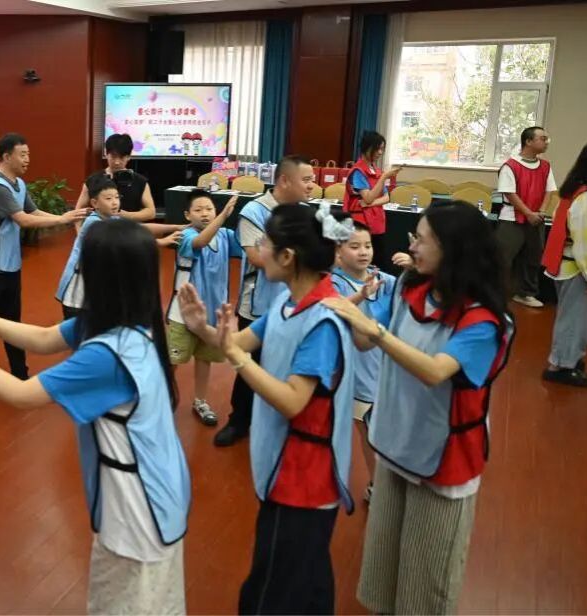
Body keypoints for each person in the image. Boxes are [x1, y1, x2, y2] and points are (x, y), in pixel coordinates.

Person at [0, 218, 190, 615]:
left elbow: (21, 395)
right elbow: (45, 338)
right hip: (157, 493)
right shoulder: (125, 323)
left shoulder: (107, 356)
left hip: (140, 512)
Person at [323, 202, 514, 615]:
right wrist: (350, 316)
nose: (412, 246)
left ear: (452, 249)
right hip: (394, 445)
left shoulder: (483, 321)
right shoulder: (410, 289)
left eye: (422, 240)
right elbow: (366, 342)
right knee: (384, 566)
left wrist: (374, 330)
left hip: (443, 462)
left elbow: (434, 370)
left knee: (424, 582)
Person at [177, 203, 356, 614]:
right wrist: (202, 328)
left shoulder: (323, 320)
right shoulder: (287, 302)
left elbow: (293, 400)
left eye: (264, 243)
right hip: (287, 466)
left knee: (270, 591)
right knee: (308, 582)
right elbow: (236, 344)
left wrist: (238, 359)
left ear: (287, 256)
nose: (258, 250)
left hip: (303, 478)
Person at [0, 132, 89, 399]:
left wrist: (65, 218)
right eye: (23, 154)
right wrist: (62, 219)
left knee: (13, 323)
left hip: (10, 266)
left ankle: (20, 373)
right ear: (6, 156)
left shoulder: (18, 183)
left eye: (28, 154)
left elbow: (34, 212)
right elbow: (24, 220)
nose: (27, 159)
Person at [217, 155, 317, 447]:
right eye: (306, 180)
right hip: (259, 303)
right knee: (250, 365)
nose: (312, 186)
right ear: (284, 180)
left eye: (312, 180)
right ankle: (239, 420)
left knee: (289, 365)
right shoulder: (255, 211)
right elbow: (256, 257)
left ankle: (281, 421)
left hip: (297, 303)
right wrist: (305, 260)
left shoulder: (306, 213)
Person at [331, 220, 397, 502]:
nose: (363, 252)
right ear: (337, 252)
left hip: (386, 367)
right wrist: (361, 295)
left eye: (367, 246)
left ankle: (385, 482)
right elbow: (334, 308)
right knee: (369, 431)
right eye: (354, 246)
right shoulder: (333, 282)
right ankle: (377, 486)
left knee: (386, 429)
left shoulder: (385, 279)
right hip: (356, 370)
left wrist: (413, 269)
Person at [57, 175, 182, 319]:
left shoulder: (112, 218)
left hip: (95, 293)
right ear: (95, 203)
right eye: (108, 199)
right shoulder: (93, 223)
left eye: (117, 197)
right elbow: (125, 241)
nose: (115, 202)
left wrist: (176, 227)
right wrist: (160, 242)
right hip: (77, 297)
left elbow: (139, 228)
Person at [166, 190, 240, 425]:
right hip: (183, 314)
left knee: (204, 359)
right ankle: (163, 399)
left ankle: (200, 401)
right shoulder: (185, 235)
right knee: (173, 361)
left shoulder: (225, 236)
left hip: (212, 313)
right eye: (198, 210)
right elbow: (201, 242)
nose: (205, 214)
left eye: (209, 209)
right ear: (187, 215)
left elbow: (246, 245)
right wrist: (224, 216)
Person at [541, 142, 587, 387]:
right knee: (576, 322)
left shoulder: (575, 192)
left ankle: (568, 360)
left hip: (567, 266)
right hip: (579, 270)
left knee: (571, 319)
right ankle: (560, 367)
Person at [497, 126, 558, 308]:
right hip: (511, 219)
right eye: (542, 138)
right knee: (503, 257)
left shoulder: (545, 166)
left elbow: (549, 191)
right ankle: (494, 292)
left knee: (533, 258)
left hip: (536, 219)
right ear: (528, 141)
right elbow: (510, 193)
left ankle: (525, 293)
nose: (546, 142)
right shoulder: (510, 166)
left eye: (547, 139)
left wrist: (541, 212)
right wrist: (528, 213)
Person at [343, 130, 402, 272]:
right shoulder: (358, 172)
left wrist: (370, 204)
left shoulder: (377, 170)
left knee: (378, 261)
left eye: (382, 149)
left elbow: (386, 198)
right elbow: (368, 197)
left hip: (377, 222)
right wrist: (384, 177)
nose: (380, 152)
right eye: (377, 149)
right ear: (368, 147)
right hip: (361, 223)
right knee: (364, 262)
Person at [73, 133, 156, 224]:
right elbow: (79, 210)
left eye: (121, 158)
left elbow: (151, 212)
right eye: (113, 157)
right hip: (100, 230)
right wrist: (81, 231)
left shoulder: (140, 181)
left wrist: (128, 215)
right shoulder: (93, 180)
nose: (117, 162)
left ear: (129, 157)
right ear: (106, 154)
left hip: (130, 230)